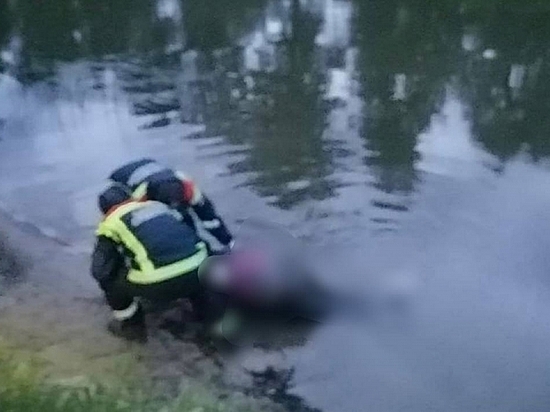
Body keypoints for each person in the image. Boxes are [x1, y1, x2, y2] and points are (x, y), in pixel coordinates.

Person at [91, 183, 221, 342]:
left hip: (159, 283)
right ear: (131, 198)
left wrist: (121, 262)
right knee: (189, 259)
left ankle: (132, 328)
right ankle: (205, 313)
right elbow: (191, 236)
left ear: (105, 211)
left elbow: (100, 271)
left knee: (112, 283)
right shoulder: (158, 206)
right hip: (200, 271)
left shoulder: (110, 223)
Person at [108, 158, 234, 252]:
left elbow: (210, 219)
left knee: (186, 222)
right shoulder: (140, 196)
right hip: (122, 178)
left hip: (152, 171)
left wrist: (229, 242)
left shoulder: (190, 189)